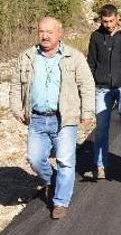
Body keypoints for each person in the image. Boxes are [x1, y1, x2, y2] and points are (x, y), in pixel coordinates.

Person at [10, 17, 95, 219]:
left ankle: (60, 202)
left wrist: (87, 112)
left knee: (65, 160)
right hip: (37, 118)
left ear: (60, 34)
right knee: (35, 158)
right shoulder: (27, 56)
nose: (45, 36)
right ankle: (53, 179)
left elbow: (87, 85)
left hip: (64, 118)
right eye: (41, 31)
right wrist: (16, 108)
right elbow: (15, 85)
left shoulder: (73, 56)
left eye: (49, 32)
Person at [87, 4, 121, 179]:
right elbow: (91, 63)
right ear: (101, 20)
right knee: (102, 127)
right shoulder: (96, 36)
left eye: (111, 21)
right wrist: (89, 86)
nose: (108, 25)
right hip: (102, 87)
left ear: (117, 18)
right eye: (105, 21)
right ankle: (100, 165)